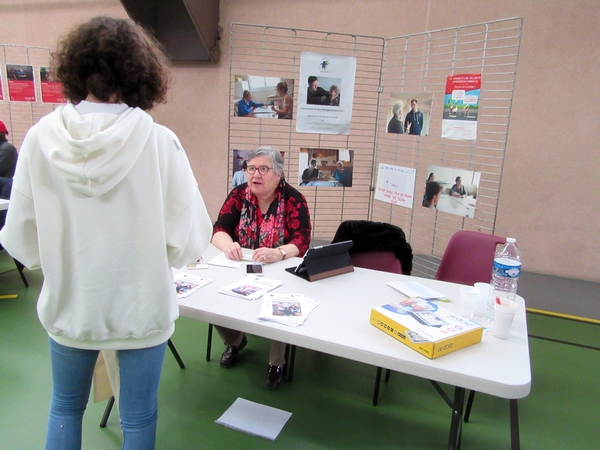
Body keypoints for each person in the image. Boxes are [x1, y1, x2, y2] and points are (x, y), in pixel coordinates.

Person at [0, 16, 213, 449]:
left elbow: (20, 237)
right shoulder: (159, 142)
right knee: (138, 419)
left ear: (74, 69)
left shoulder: (40, 139)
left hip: (70, 307)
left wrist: (58, 257)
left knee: (64, 406)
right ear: (141, 73)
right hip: (141, 310)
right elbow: (190, 239)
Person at [212, 146, 311, 389]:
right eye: (251, 168)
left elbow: (301, 240)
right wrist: (228, 246)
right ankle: (235, 340)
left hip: (279, 267)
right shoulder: (238, 195)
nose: (255, 174)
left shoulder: (294, 199)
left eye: (263, 169)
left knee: (281, 301)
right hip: (242, 266)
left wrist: (278, 252)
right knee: (211, 295)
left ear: (278, 174)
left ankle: (276, 360)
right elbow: (219, 229)